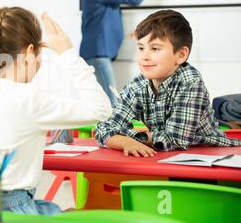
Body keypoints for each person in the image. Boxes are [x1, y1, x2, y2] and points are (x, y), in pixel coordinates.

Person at [0, 7, 112, 215]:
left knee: (72, 212)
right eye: (39, 56)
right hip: (14, 214)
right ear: (29, 53)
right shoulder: (31, 100)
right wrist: (67, 54)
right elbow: (102, 108)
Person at [95, 10, 241, 157]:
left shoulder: (190, 82)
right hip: (167, 155)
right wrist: (126, 142)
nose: (144, 56)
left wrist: (129, 136)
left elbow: (175, 139)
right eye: (141, 48)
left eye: (155, 48)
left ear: (181, 55)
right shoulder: (138, 85)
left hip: (213, 154)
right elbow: (103, 129)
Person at [77, 0, 163, 106]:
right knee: (114, 103)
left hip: (97, 53)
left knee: (105, 102)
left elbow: (102, 18)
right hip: (97, 54)